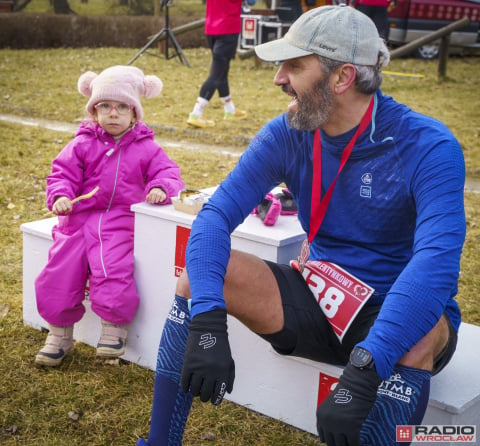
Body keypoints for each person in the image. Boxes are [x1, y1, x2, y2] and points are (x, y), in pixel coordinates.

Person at [138, 5, 466, 445]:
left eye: (294, 66)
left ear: (342, 77)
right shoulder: (288, 131)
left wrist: (367, 367)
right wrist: (208, 321)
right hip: (321, 296)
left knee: (420, 334)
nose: (278, 78)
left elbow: (435, 265)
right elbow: (215, 216)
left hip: (396, 311)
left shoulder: (427, 145)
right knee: (198, 280)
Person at [35, 65, 185, 367]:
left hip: (118, 220)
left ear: (134, 114)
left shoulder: (146, 147)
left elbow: (169, 172)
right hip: (77, 220)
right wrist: (62, 196)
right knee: (60, 270)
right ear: (94, 112)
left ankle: (113, 328)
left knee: (113, 265)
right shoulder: (82, 143)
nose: (112, 114)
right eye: (105, 106)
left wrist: (159, 187)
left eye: (121, 107)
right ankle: (59, 333)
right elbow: (61, 173)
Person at [186, 0, 251, 128]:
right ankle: (196, 113)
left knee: (222, 70)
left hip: (211, 27)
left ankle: (229, 109)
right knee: (216, 74)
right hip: (228, 27)